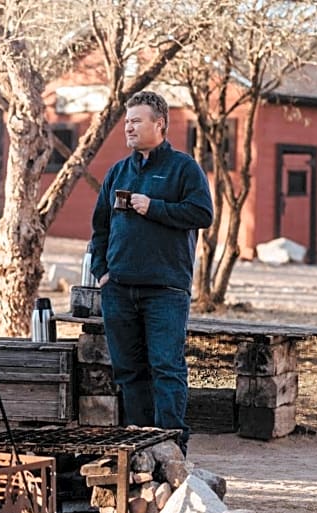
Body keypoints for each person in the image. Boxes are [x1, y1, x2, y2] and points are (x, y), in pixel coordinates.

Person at [89, 91, 213, 455]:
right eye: (127, 121)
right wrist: (102, 272)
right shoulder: (117, 172)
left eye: (136, 121)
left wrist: (152, 206)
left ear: (159, 124)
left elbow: (201, 214)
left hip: (165, 289)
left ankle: (172, 449)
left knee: (166, 368)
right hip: (119, 289)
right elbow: (99, 229)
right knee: (128, 372)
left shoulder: (183, 168)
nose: (128, 126)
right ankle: (136, 449)